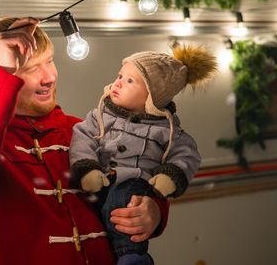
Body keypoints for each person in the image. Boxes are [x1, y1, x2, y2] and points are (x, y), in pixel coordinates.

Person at [0, 17, 168, 265]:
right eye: (31, 68)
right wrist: (3, 72)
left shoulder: (87, 128)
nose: (49, 76)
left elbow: (138, 175)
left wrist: (153, 210)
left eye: (49, 61)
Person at [69, 46, 217, 264]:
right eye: (120, 76)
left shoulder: (166, 129)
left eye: (130, 81)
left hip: (134, 181)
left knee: (125, 204)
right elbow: (83, 138)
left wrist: (171, 175)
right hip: (101, 179)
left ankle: (132, 255)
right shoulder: (100, 116)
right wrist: (87, 167)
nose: (118, 82)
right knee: (96, 206)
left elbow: (187, 153)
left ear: (153, 97)